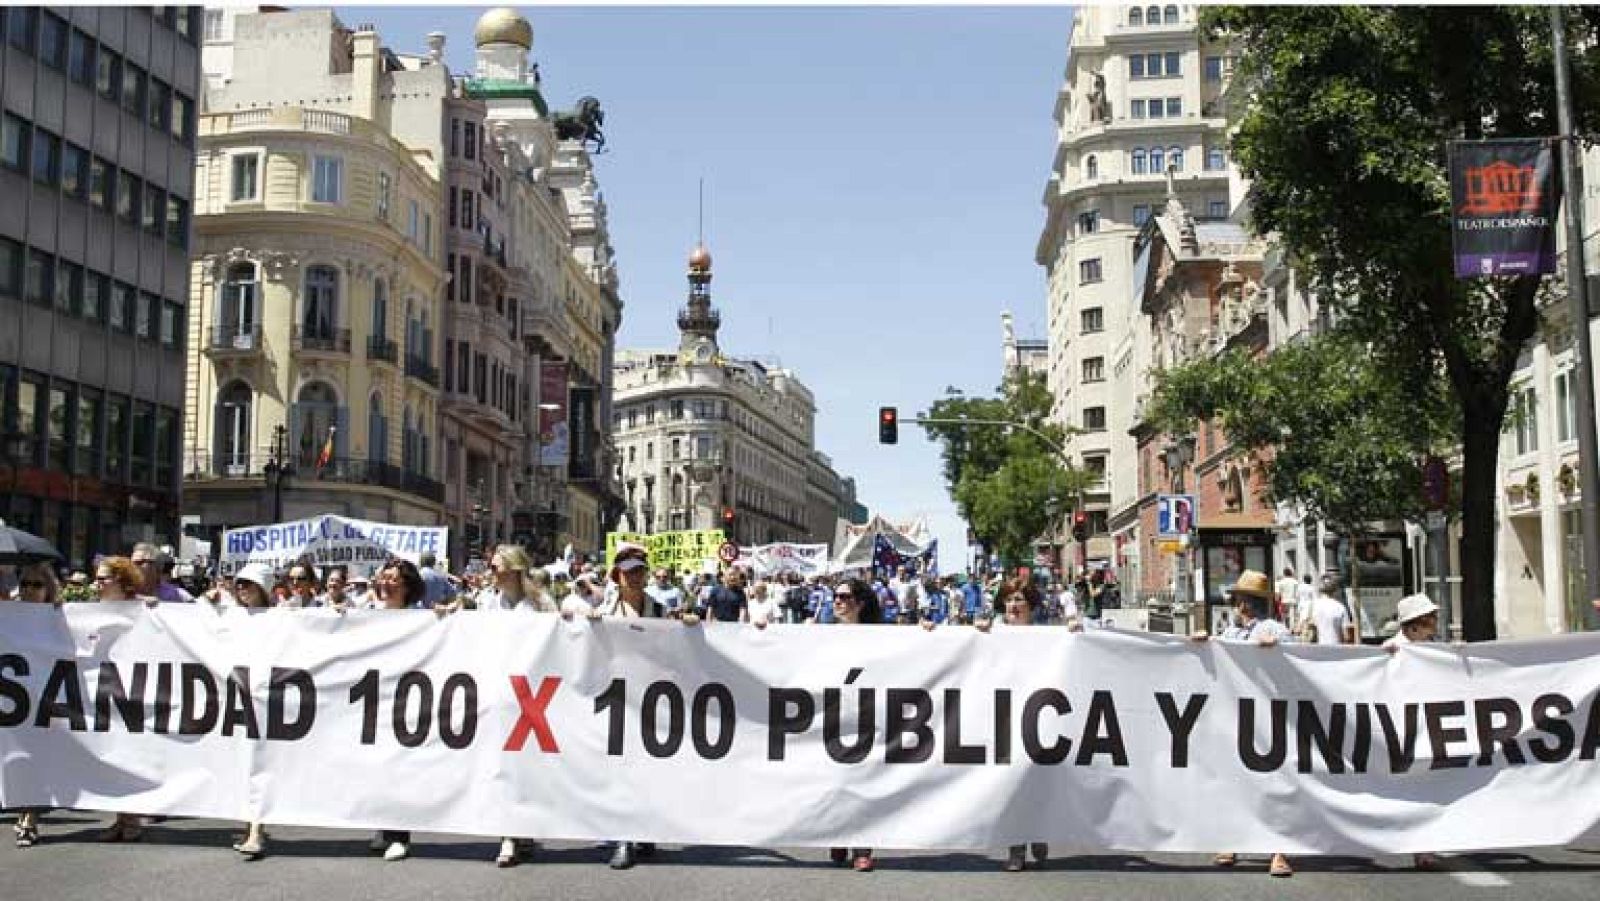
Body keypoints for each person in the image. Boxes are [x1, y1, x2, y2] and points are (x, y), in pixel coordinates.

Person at [1193, 569, 1294, 878]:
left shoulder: (1274, 629)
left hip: (1269, 716)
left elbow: (1296, 661)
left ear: (1246, 603)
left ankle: (1279, 850)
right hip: (1239, 715)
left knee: (1273, 783)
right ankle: (1233, 842)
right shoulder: (1232, 633)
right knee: (1236, 780)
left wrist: (1277, 648)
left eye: (1238, 599)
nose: (1235, 605)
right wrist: (1202, 643)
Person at [974, 577, 1050, 871]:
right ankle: (1016, 848)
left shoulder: (1049, 637)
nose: (1013, 605)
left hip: (1039, 717)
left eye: (1019, 599)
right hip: (1003, 717)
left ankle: (1039, 829)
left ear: (1031, 605)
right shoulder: (993, 633)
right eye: (1008, 600)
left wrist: (1076, 628)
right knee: (1011, 781)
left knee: (1035, 779)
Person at [370, 558, 429, 861]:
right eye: (383, 577)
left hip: (405, 703)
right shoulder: (367, 615)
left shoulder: (420, 619)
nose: (385, 583)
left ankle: (400, 835)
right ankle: (383, 826)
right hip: (373, 699)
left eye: (393, 579)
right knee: (377, 767)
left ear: (407, 586)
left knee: (399, 768)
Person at [1383, 593, 1443, 871]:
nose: (1435, 621)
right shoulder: (1391, 648)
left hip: (1427, 728)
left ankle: (1423, 847)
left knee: (1427, 786)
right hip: (1399, 730)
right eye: (1431, 618)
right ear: (1415, 623)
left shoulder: (1435, 649)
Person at [827, 577, 883, 872]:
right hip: (832, 716)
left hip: (867, 715)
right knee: (835, 781)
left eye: (845, 597)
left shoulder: (878, 636)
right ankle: (838, 835)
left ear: (859, 604)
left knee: (863, 781)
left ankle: (862, 846)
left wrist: (926, 629)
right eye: (835, 596)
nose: (838, 601)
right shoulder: (818, 634)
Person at [7, 562, 61, 847]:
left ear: (48, 590)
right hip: (12, 704)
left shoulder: (60, 617)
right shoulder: (8, 614)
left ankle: (28, 819)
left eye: (36, 585)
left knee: (34, 759)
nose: (29, 590)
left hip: (45, 702)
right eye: (25, 584)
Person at [476, 545, 556, 615]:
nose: (490, 572)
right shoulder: (489, 604)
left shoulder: (542, 603)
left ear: (513, 571)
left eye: (494, 567)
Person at [1301, 572, 1355, 645]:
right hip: (1335, 648)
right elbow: (1346, 636)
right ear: (1335, 589)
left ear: (1320, 588)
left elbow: (1304, 627)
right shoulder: (1340, 608)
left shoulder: (1312, 606)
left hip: (1316, 648)